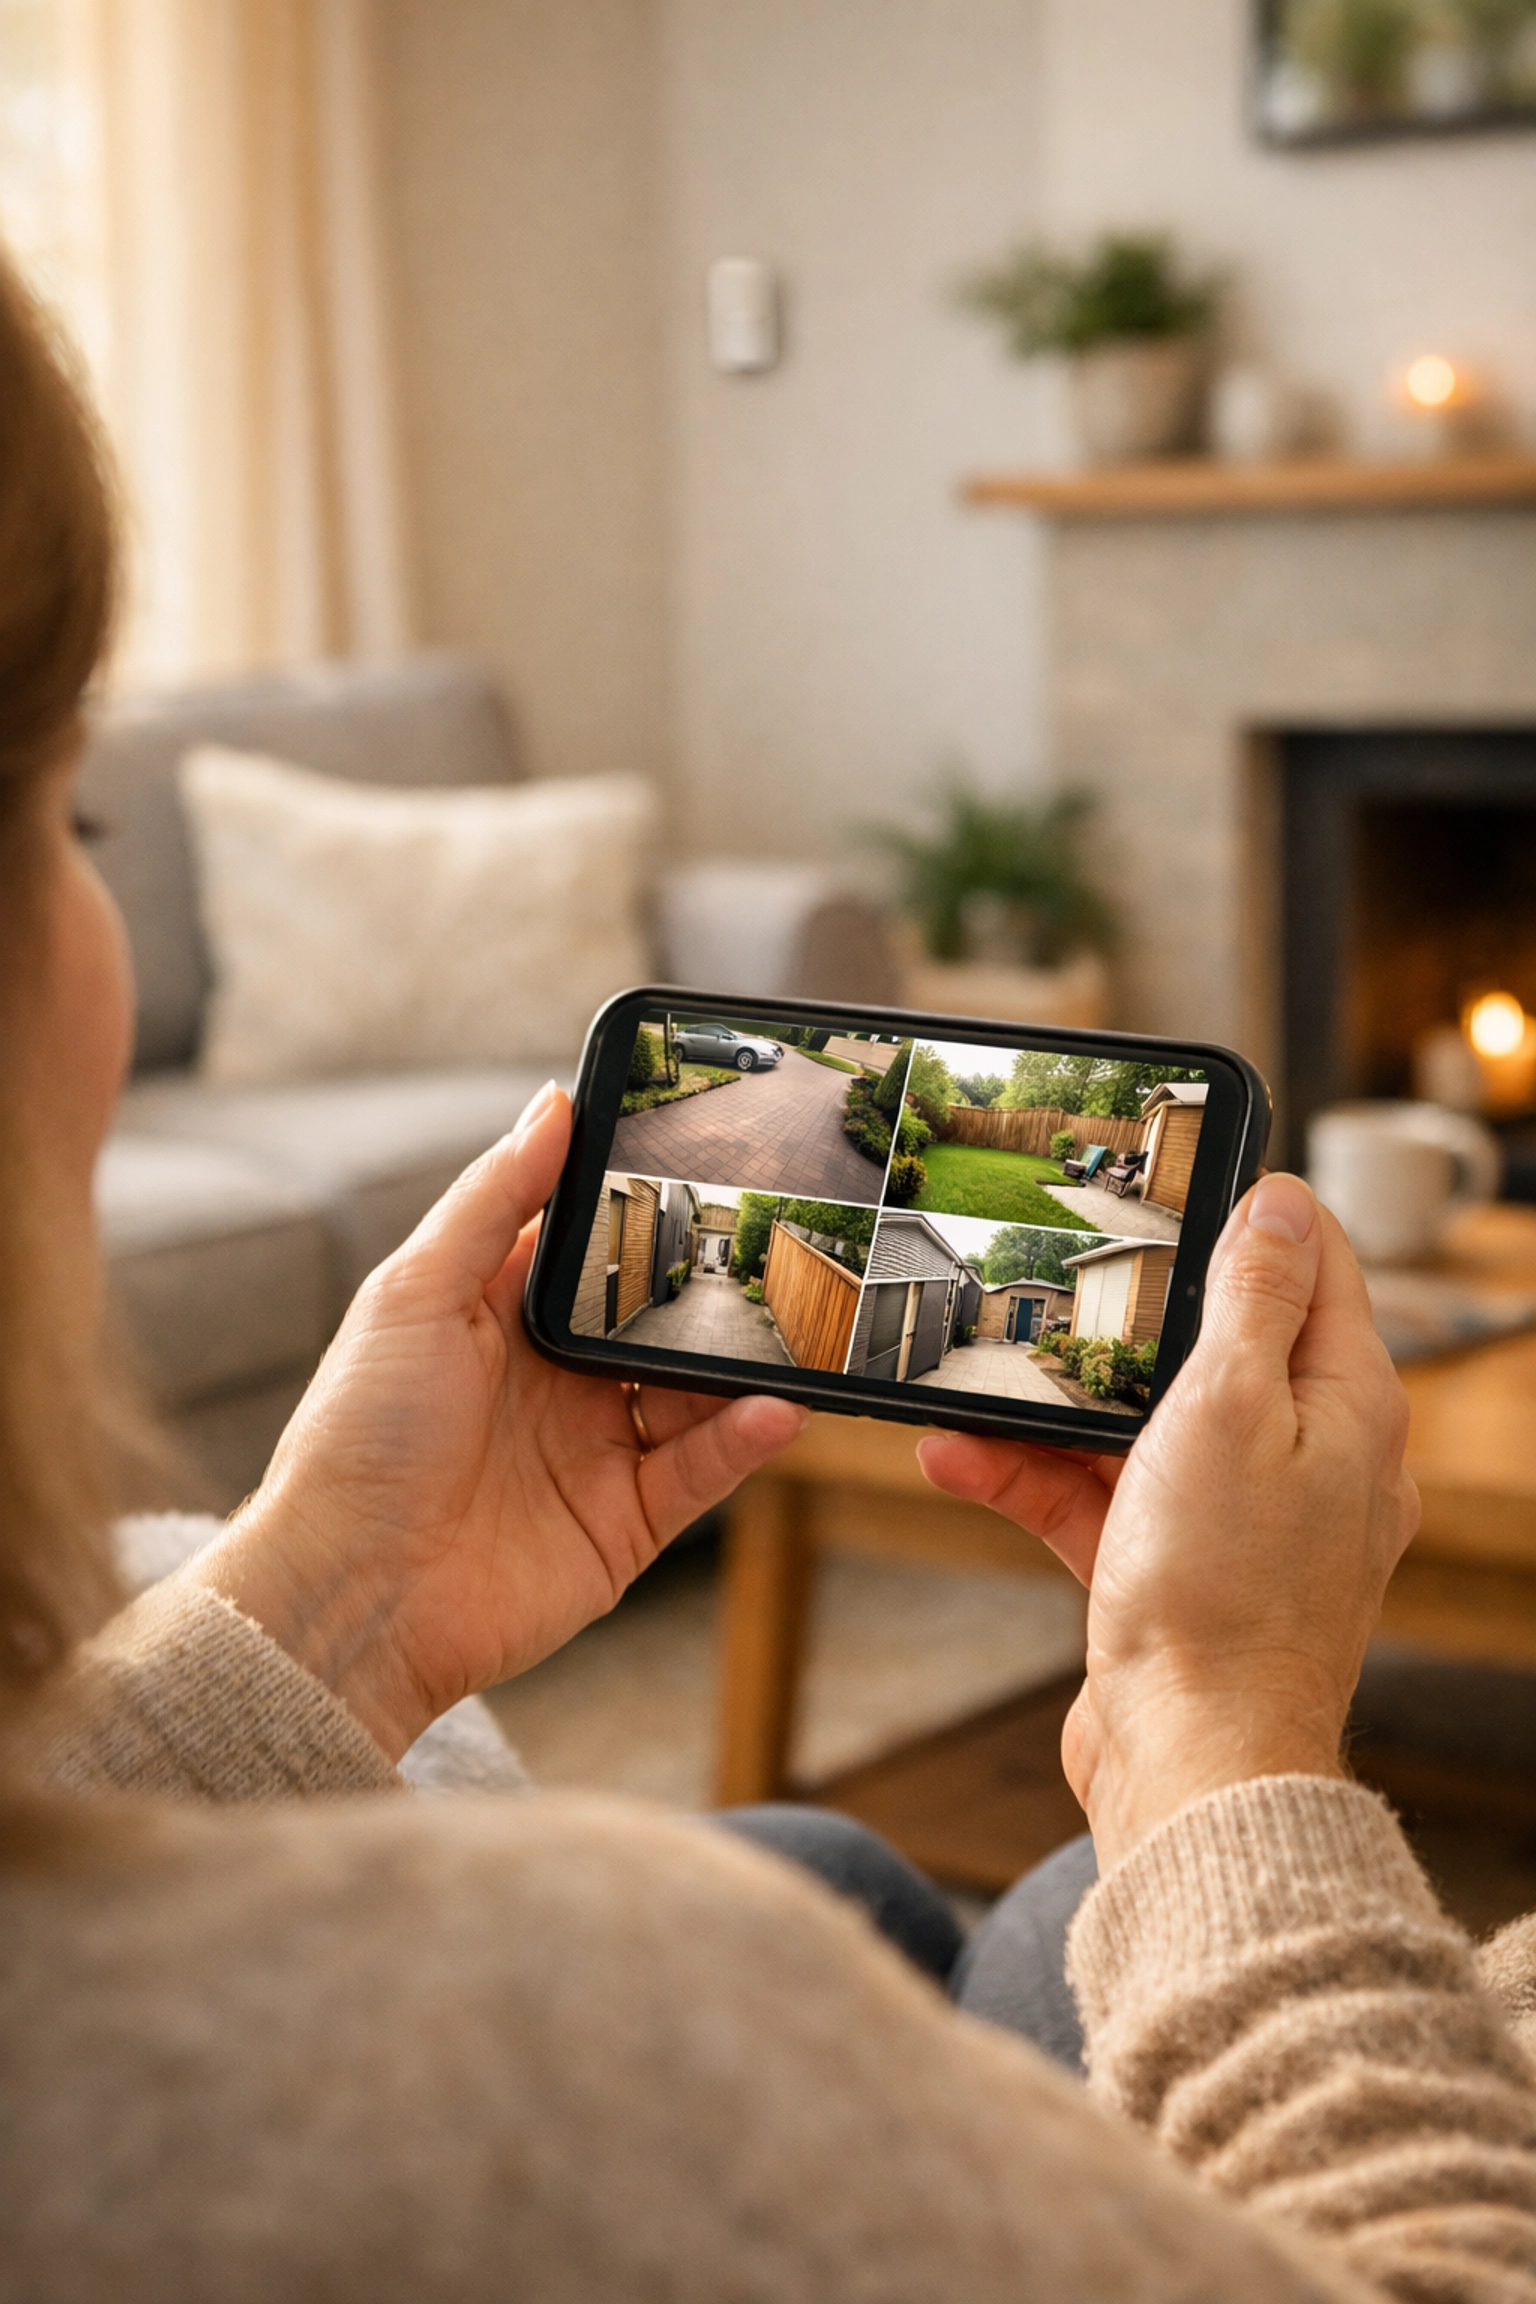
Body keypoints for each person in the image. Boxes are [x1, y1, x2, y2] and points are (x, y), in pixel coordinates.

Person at [4, 246, 1536, 2304]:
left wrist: (331, 1600)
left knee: (830, 1864)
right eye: (72, 810)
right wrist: (1218, 1724)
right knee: (1075, 1889)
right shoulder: (659, 2039)